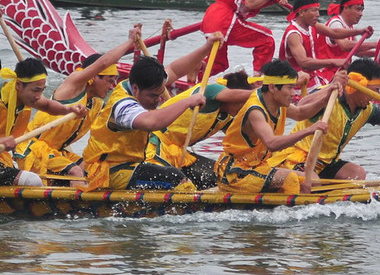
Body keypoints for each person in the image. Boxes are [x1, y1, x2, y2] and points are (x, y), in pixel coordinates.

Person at [81, 35, 222, 191]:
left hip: (132, 165)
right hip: (109, 173)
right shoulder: (122, 106)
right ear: (135, 89)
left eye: (160, 94)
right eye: (153, 96)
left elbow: (175, 69)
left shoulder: (144, 83)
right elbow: (150, 123)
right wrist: (188, 101)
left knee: (214, 175)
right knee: (175, 179)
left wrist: (206, 48)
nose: (158, 100)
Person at [15, 26, 140, 186]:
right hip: (31, 148)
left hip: (57, 151)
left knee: (92, 168)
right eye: (109, 80)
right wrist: (130, 41)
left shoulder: (96, 104)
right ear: (94, 77)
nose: (112, 86)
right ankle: (80, 207)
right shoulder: (73, 86)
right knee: (76, 171)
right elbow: (103, 62)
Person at [284, 58, 380, 181]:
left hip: (327, 163)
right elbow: (301, 107)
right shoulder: (329, 94)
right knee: (313, 181)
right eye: (375, 91)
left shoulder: (366, 109)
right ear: (358, 85)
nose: (376, 96)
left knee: (357, 174)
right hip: (298, 160)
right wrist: (331, 88)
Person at [214, 59, 341, 194]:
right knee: (294, 179)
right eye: (290, 88)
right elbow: (272, 143)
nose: (293, 93)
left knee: (313, 180)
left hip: (257, 167)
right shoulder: (255, 111)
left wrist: (326, 97)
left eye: (294, 87)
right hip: (235, 174)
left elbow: (300, 113)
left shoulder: (277, 103)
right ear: (272, 87)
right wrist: (309, 130)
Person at [145, 69, 256, 190]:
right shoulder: (209, 91)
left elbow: (244, 140)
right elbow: (233, 95)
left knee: (222, 178)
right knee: (183, 187)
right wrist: (264, 93)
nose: (244, 108)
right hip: (153, 148)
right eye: (243, 103)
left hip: (180, 155)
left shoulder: (226, 116)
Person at [0, 58, 87, 187]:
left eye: (42, 90)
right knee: (32, 181)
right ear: (18, 85)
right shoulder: (3, 100)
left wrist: (69, 109)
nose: (38, 96)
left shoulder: (24, 97)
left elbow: (47, 105)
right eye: (35, 90)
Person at [201, 0, 287, 75]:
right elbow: (250, 3)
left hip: (211, 17)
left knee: (219, 64)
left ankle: (195, 73)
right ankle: (258, 80)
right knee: (267, 39)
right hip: (225, 20)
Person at [279, 0, 373, 89]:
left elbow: (334, 33)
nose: (318, 14)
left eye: (318, 10)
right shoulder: (294, 34)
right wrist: (334, 62)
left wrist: (360, 31)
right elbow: (304, 63)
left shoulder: (313, 25)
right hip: (297, 84)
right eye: (314, 10)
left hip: (314, 79)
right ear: (302, 12)